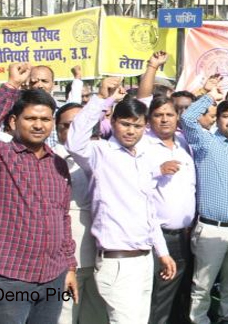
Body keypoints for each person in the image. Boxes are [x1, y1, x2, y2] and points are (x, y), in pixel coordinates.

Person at [67, 77, 176, 324]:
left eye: (137, 126)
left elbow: (149, 211)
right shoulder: (100, 153)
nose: (130, 131)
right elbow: (74, 142)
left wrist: (162, 252)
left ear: (145, 127)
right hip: (117, 263)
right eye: (125, 124)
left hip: (145, 260)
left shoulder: (144, 158)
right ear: (113, 122)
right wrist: (100, 100)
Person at [0, 63, 78, 323]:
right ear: (13, 121)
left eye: (45, 119)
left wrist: (69, 266)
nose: (38, 125)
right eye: (31, 118)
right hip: (9, 276)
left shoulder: (58, 163)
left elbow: (63, 218)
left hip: (52, 279)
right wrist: (10, 87)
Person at [180, 81, 228, 324]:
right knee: (203, 284)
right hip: (212, 227)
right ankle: (199, 320)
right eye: (226, 116)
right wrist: (209, 96)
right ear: (217, 119)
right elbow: (188, 119)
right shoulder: (206, 142)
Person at [137, 51, 198, 324]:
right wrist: (152, 68)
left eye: (169, 114)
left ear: (178, 118)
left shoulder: (185, 143)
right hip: (157, 236)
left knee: (178, 296)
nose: (164, 119)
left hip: (186, 235)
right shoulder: (144, 142)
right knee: (156, 298)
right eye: (158, 115)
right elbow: (142, 100)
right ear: (149, 120)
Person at [54, 103, 109, 324]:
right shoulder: (49, 160)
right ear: (57, 129)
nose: (73, 130)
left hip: (102, 254)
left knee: (95, 316)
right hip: (65, 257)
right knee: (64, 315)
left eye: (80, 124)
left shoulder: (105, 155)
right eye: (67, 126)